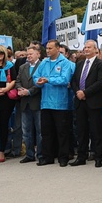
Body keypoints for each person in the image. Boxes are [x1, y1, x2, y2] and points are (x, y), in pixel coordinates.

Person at [33, 39, 76, 167]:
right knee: (46, 132)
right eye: (46, 48)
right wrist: (38, 82)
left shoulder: (65, 63)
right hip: (45, 102)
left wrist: (48, 80)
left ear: (58, 49)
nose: (47, 50)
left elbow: (64, 79)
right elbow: (36, 76)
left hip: (60, 103)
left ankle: (63, 157)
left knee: (61, 132)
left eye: (50, 48)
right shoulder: (44, 62)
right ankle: (47, 157)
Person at [70, 40, 102, 167]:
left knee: (96, 130)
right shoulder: (79, 64)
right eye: (85, 47)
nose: (86, 49)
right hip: (79, 101)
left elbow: (99, 82)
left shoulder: (101, 64)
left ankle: (98, 157)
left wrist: (85, 93)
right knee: (81, 130)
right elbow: (74, 80)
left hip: (93, 101)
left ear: (95, 50)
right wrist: (78, 92)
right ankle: (81, 157)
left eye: (89, 47)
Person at [15, 46, 43, 163]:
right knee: (26, 131)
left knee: (40, 130)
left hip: (37, 102)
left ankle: (41, 155)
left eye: (31, 54)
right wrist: (20, 89)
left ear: (38, 54)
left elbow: (40, 83)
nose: (29, 56)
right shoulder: (22, 67)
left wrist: (29, 91)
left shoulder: (42, 66)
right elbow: (17, 81)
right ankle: (29, 154)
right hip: (24, 103)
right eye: (28, 54)